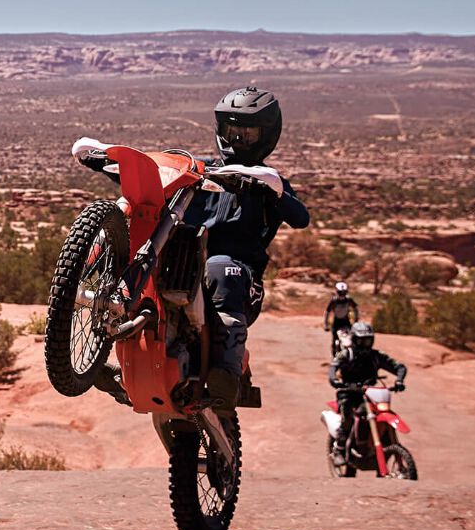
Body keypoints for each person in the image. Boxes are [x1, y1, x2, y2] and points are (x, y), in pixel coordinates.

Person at [76, 85, 310, 409]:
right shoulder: (198, 171)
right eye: (232, 130)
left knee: (220, 267)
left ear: (267, 135)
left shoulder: (265, 182)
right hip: (183, 267)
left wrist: (275, 188)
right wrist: (101, 159)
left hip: (240, 284)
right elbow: (153, 180)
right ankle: (115, 355)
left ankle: (225, 373)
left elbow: (300, 218)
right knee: (140, 260)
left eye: (248, 132)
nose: (238, 138)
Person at [329, 321, 407, 465]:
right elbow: (334, 366)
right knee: (348, 414)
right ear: (353, 339)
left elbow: (399, 367)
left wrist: (399, 381)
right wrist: (334, 380)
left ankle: (382, 446)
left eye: (368, 340)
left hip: (368, 392)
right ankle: (338, 449)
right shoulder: (346, 354)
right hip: (348, 392)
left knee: (380, 411)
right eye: (361, 340)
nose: (365, 344)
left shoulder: (376, 356)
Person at [323, 281, 359, 357]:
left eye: (344, 292)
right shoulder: (334, 301)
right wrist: (325, 325)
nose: (342, 295)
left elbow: (355, 308)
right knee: (335, 339)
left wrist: (356, 319)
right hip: (337, 322)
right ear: (337, 292)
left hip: (346, 321)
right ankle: (334, 355)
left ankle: (353, 355)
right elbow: (327, 312)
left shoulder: (349, 300)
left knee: (351, 338)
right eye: (340, 292)